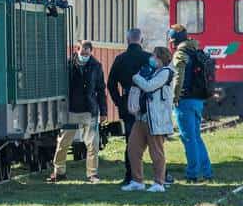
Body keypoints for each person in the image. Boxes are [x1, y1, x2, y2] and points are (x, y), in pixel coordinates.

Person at [49, 41, 107, 183]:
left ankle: (92, 174)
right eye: (82, 52)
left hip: (89, 110)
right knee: (63, 143)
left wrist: (103, 111)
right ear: (77, 49)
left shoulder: (96, 66)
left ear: (91, 51)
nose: (85, 55)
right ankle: (59, 172)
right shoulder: (68, 65)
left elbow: (100, 89)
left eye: (87, 52)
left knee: (92, 144)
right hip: (71, 110)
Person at [123, 46, 175, 192]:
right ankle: (137, 181)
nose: (151, 58)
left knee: (156, 152)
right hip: (141, 117)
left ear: (161, 58)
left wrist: (136, 77)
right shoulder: (152, 71)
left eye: (154, 56)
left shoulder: (166, 73)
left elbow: (149, 86)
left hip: (156, 119)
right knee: (133, 149)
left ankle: (159, 183)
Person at [107, 28, 153, 186]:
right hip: (147, 103)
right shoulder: (148, 58)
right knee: (153, 140)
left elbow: (111, 84)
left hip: (128, 102)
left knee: (131, 141)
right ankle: (160, 175)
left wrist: (119, 101)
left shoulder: (120, 59)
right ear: (141, 40)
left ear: (127, 40)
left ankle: (131, 176)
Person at [170, 24, 213, 183]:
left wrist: (175, 97)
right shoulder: (195, 50)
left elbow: (178, 78)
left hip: (185, 101)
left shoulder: (180, 54)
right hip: (198, 100)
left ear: (174, 41)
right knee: (196, 137)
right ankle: (207, 171)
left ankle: (192, 173)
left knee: (188, 138)